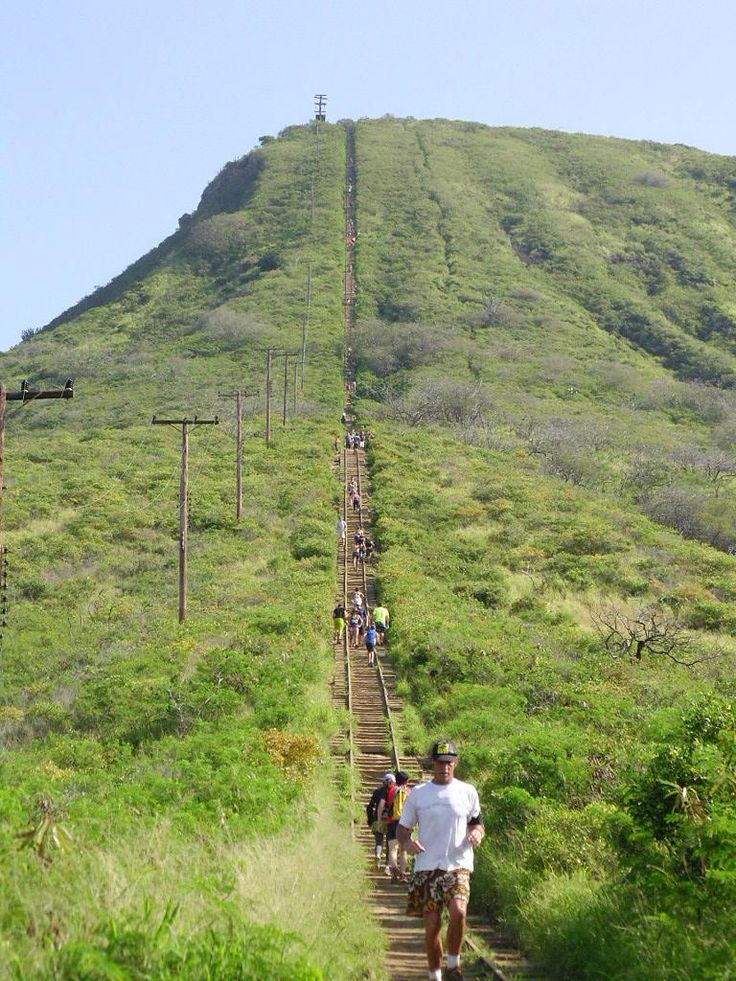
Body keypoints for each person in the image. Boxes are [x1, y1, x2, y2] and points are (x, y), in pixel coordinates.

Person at [397, 740, 484, 981]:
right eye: (440, 762)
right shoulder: (419, 794)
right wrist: (407, 843)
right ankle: (435, 975)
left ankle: (454, 966)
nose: (444, 767)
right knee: (432, 925)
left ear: (455, 763)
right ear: (432, 763)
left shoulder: (468, 791)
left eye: (449, 762)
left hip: (458, 864)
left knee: (458, 912)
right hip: (426, 867)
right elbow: (402, 829)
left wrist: (476, 833)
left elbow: (477, 823)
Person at [379, 771, 411, 881]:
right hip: (406, 823)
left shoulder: (392, 791)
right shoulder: (409, 791)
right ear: (406, 781)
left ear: (396, 780)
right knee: (403, 851)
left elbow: (386, 806)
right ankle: (402, 874)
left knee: (393, 849)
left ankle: (394, 874)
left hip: (393, 822)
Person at [366, 772, 394, 868]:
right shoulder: (394, 792)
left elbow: (369, 807)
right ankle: (387, 864)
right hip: (390, 820)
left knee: (379, 841)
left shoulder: (377, 791)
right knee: (390, 844)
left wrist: (370, 820)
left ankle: (378, 855)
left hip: (377, 819)